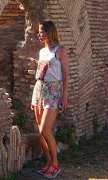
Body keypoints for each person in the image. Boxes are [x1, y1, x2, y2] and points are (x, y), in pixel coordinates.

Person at [28, 20, 69, 179]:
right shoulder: (42, 52)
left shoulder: (61, 51)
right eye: (39, 32)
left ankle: (55, 164)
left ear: (50, 32)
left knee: (46, 129)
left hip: (54, 91)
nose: (39, 34)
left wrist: (64, 96)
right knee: (40, 131)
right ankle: (48, 162)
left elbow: (65, 75)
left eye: (42, 32)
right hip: (40, 90)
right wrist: (35, 96)